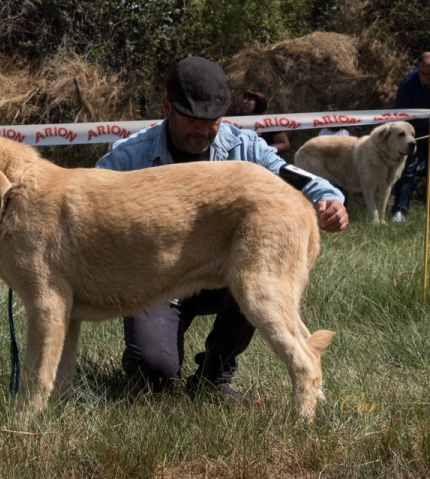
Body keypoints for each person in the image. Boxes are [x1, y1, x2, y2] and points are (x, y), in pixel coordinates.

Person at [96, 57, 348, 401]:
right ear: (167, 107)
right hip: (158, 284)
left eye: (212, 121)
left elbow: (291, 175)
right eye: (192, 121)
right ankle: (149, 363)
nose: (202, 130)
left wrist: (329, 199)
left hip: (225, 274)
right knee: (153, 372)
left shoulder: (243, 146)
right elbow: (88, 210)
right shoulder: (126, 158)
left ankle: (214, 376)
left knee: (256, 277)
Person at [391, 52, 430, 222]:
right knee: (407, 171)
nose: (427, 78)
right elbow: (400, 116)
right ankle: (400, 211)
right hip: (412, 135)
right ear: (418, 69)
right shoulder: (407, 83)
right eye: (423, 73)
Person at [241, 89, 290, 154]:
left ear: (259, 102)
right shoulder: (233, 120)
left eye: (249, 99)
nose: (244, 101)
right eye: (244, 98)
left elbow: (285, 145)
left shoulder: (269, 122)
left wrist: (263, 149)